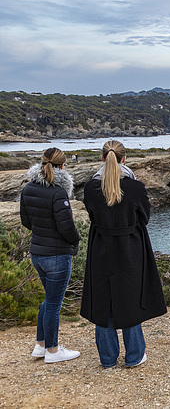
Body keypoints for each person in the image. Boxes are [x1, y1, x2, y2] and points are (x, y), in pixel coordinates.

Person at [80, 140, 167, 368]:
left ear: (102, 158)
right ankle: (134, 356)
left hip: (101, 248)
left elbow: (92, 215)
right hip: (130, 249)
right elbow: (145, 218)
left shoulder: (90, 188)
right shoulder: (135, 188)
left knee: (102, 301)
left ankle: (107, 359)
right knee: (130, 300)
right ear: (124, 159)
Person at [20, 147, 81, 363]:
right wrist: (77, 240)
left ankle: (40, 345)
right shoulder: (58, 192)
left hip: (37, 252)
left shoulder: (28, 188)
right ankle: (53, 351)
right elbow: (67, 228)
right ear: (63, 166)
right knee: (54, 304)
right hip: (57, 255)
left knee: (49, 300)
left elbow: (26, 221)